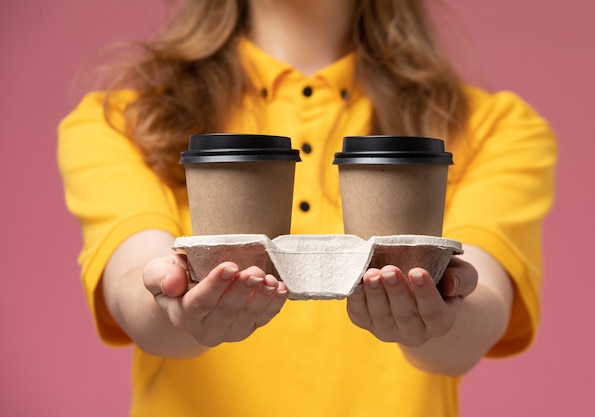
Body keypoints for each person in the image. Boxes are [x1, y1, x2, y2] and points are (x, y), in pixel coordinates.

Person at [57, 0, 557, 416]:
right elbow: (134, 288)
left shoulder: (496, 128)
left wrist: (439, 318)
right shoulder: (123, 122)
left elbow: (477, 316)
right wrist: (175, 309)